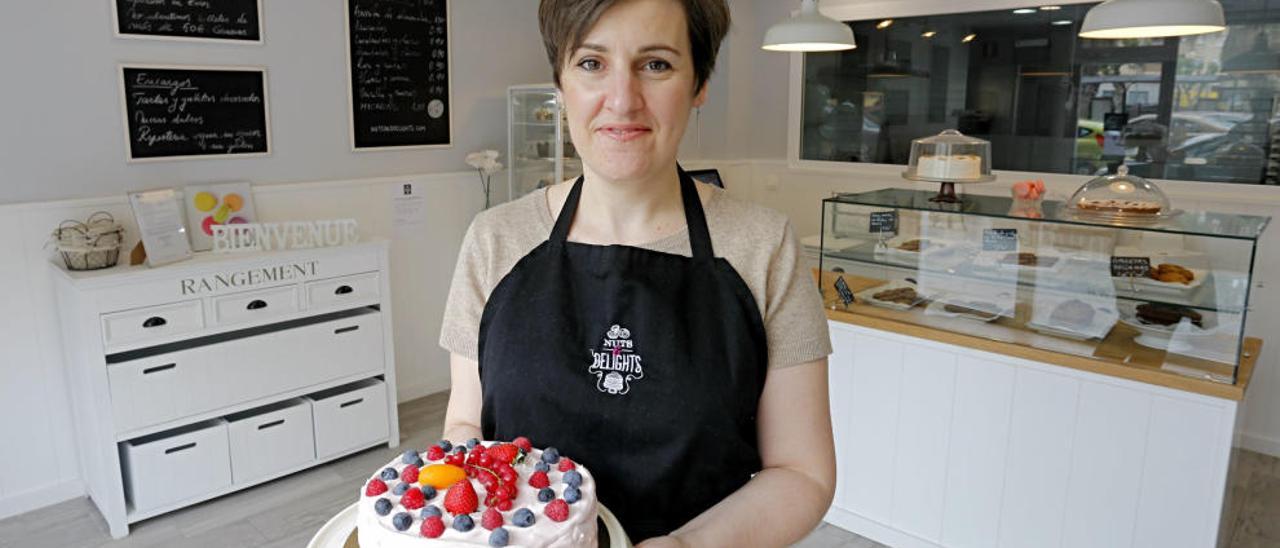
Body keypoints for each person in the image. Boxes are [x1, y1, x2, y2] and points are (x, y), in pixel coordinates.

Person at [439, 0, 835, 544]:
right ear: (560, 81)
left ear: (699, 84)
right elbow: (466, 425)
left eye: (656, 65)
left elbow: (801, 471)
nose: (622, 101)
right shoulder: (493, 239)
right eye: (591, 64)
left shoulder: (763, 245)